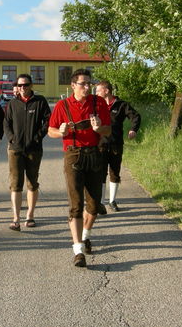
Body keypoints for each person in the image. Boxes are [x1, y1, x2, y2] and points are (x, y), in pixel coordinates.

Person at [48, 69, 111, 267]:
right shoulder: (62, 105)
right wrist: (61, 131)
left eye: (89, 83)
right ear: (73, 86)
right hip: (73, 155)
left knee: (93, 205)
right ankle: (78, 250)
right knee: (76, 205)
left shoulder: (99, 103)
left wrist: (99, 128)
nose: (87, 87)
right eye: (83, 83)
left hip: (94, 155)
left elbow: (108, 130)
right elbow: (50, 131)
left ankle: (85, 235)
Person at [4, 73, 51, 231]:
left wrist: (38, 137)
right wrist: (11, 138)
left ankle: (30, 215)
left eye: (26, 85)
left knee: (32, 183)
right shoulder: (12, 103)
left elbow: (48, 121)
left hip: (34, 149)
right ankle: (16, 218)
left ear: (31, 86)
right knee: (15, 185)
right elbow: (6, 123)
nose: (23, 88)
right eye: (20, 85)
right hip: (15, 149)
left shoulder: (40, 101)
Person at [95, 81, 141, 212]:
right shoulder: (97, 105)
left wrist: (134, 129)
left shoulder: (121, 105)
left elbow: (136, 116)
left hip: (116, 144)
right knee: (100, 173)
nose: (96, 93)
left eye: (98, 91)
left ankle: (112, 201)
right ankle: (100, 202)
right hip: (101, 144)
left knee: (115, 172)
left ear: (106, 91)